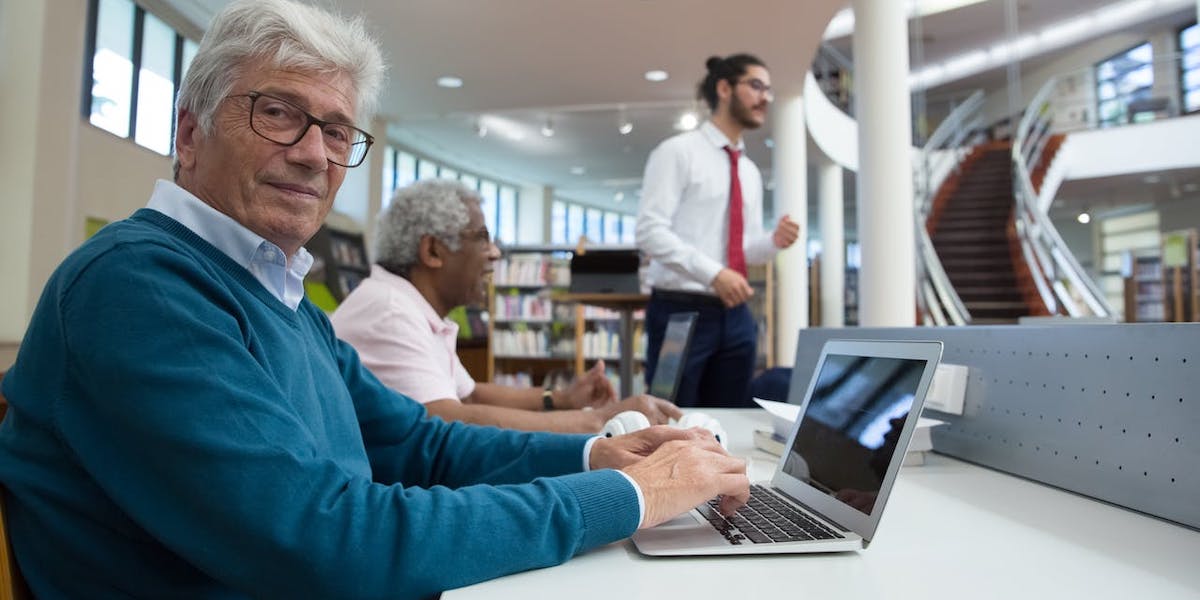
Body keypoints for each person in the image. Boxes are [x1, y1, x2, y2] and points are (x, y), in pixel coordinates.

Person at [0, 2, 749, 597]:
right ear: (190, 133)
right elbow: (329, 541)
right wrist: (628, 495)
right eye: (278, 113)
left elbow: (419, 442)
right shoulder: (139, 287)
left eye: (335, 130)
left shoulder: (282, 296)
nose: (315, 154)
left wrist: (597, 453)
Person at [331, 179, 681, 433]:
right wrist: (603, 420)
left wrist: (561, 399)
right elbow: (449, 418)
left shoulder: (405, 305)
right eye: (482, 238)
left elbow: (470, 396)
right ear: (433, 251)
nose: (496, 254)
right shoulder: (390, 311)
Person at [636, 53, 800, 409]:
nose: (765, 98)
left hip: (737, 313)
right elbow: (649, 231)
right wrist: (714, 274)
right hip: (681, 311)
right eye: (756, 86)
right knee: (669, 416)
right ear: (724, 88)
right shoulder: (678, 152)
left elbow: (744, 249)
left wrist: (772, 242)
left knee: (731, 416)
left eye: (769, 90)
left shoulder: (750, 172)